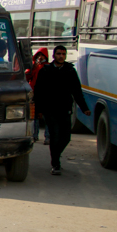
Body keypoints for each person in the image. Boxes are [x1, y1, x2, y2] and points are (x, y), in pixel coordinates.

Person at [33, 45, 90, 175]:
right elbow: (39, 91)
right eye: (59, 54)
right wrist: (38, 110)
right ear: (54, 55)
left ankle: (56, 156)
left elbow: (77, 91)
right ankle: (56, 164)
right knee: (54, 136)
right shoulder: (46, 70)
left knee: (66, 137)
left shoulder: (70, 70)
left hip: (65, 109)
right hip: (50, 110)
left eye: (63, 54)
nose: (61, 56)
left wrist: (84, 108)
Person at [25, 48, 50, 143]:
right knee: (35, 116)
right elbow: (27, 77)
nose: (40, 57)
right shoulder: (34, 67)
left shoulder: (48, 67)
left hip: (45, 94)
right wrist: (33, 68)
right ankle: (34, 135)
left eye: (42, 55)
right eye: (38, 55)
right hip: (34, 93)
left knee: (47, 116)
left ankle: (47, 137)